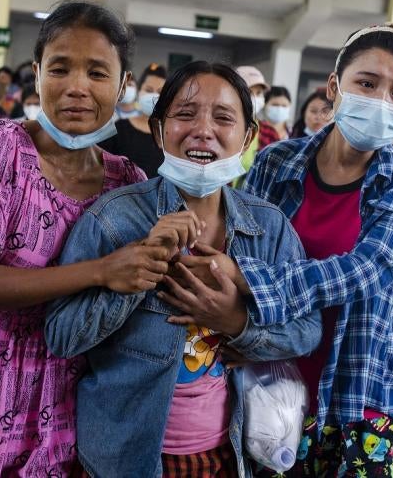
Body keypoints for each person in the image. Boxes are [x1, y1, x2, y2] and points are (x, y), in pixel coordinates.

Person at [0, 0, 170, 477]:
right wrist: (102, 271)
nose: (78, 87)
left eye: (98, 73)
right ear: (37, 74)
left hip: (59, 388)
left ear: (123, 86)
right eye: (60, 68)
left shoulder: (127, 181)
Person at [167, 23, 393, 475]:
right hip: (265, 377)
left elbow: (369, 270)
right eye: (367, 83)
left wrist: (247, 278)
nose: (380, 102)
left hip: (355, 392)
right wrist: (238, 319)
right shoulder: (278, 163)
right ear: (334, 87)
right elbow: (243, 245)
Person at [45, 61, 321, 477]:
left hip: (227, 456)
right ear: (158, 131)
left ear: (248, 136)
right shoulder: (114, 218)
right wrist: (142, 266)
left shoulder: (268, 227)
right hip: (122, 460)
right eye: (185, 114)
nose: (203, 130)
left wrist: (238, 324)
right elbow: (61, 336)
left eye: (223, 117)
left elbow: (308, 329)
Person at [100, 62, 167, 178]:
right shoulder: (119, 128)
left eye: (160, 92)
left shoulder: (169, 136)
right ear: (139, 91)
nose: (154, 96)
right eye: (149, 90)